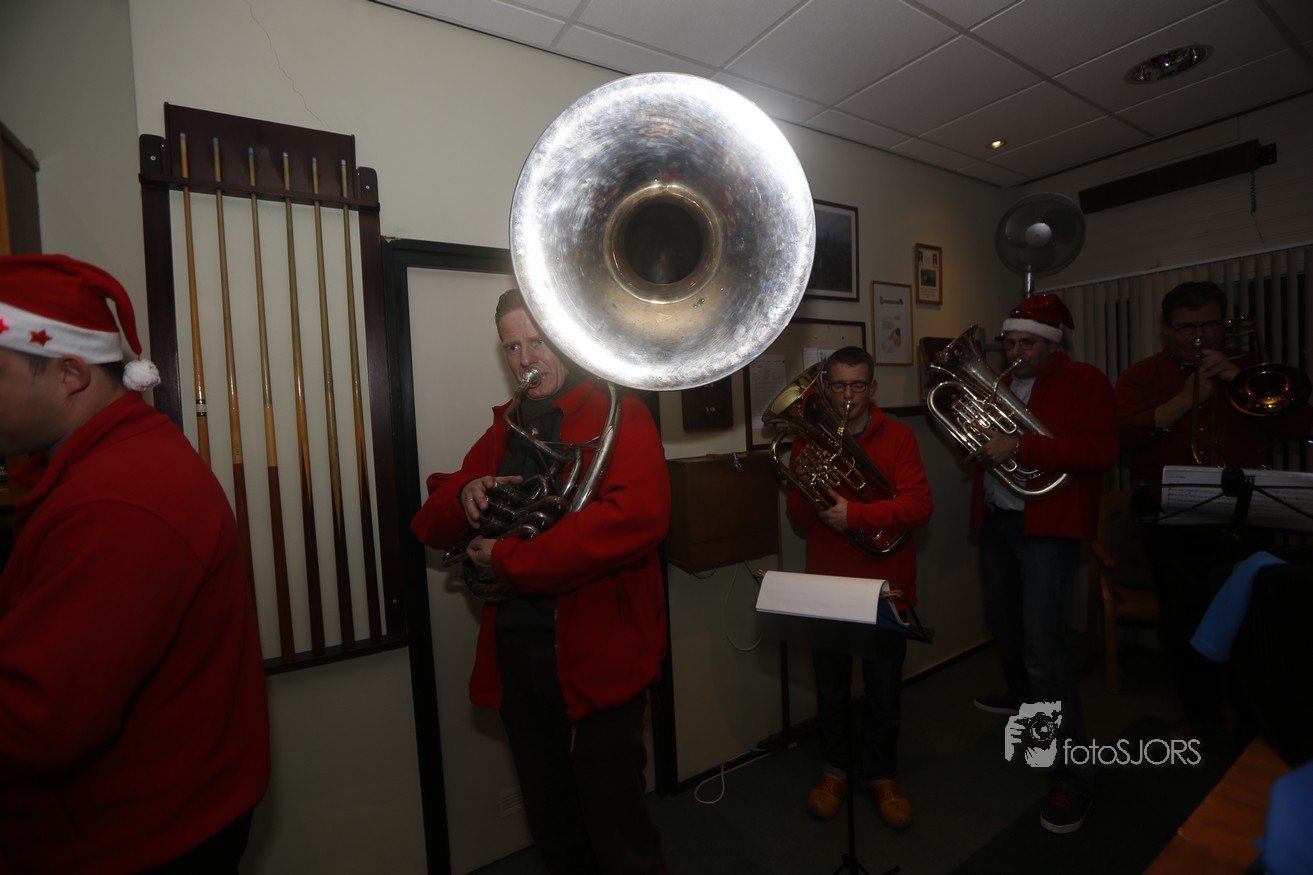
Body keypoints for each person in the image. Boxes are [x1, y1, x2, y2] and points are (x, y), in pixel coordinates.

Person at [0, 254, 270, 873]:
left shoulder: (119, 499)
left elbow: (38, 719)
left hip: (136, 840)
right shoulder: (112, 465)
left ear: (70, 373)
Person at [411, 288, 671, 875]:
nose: (526, 358)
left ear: (566, 338)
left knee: (621, 838)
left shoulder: (619, 414)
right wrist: (464, 492)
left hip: (598, 658)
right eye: (512, 347)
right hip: (520, 658)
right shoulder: (506, 428)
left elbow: (638, 519)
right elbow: (427, 524)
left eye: (538, 340)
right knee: (554, 828)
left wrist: (511, 560)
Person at [1114, 280, 1313, 738]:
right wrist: (1184, 400)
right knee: (1184, 618)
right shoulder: (1141, 376)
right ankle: (1200, 714)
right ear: (1166, 329)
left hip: (1248, 514)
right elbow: (1122, 437)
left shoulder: (1250, 369)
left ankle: (1253, 722)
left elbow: (1302, 426)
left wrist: (1236, 380)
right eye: (1186, 327)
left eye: (1208, 324)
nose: (1199, 336)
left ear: (1224, 325)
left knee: (1254, 618)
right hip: (1168, 517)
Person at [966, 293, 1118, 834]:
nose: (1015, 353)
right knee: (1005, 626)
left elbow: (1100, 451)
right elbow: (989, 446)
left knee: (1044, 650)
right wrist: (980, 444)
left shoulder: (1085, 381)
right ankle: (1028, 713)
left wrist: (1020, 447)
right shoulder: (1002, 385)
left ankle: (1075, 777)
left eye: (1026, 343)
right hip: (1000, 521)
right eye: (1009, 343)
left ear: (1053, 344)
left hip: (1048, 528)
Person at [785, 347, 933, 830]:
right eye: (838, 385)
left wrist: (856, 515)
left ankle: (881, 774)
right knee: (831, 688)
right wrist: (802, 484)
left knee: (883, 689)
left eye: (857, 385)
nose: (847, 395)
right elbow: (800, 521)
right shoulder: (807, 441)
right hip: (828, 582)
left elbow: (919, 506)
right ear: (825, 389)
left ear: (872, 388)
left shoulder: (900, 437)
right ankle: (835, 769)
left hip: (885, 584)